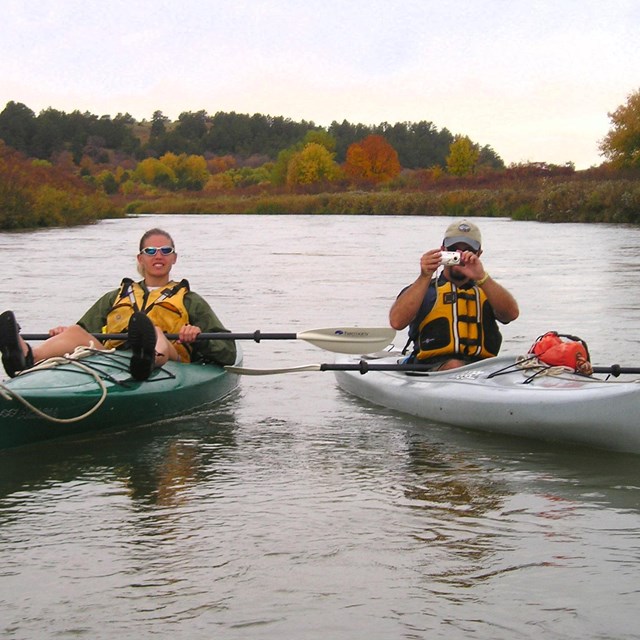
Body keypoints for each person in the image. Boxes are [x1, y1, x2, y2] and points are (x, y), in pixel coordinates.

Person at [0, 228, 236, 380]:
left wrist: (196, 334)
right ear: (140, 258)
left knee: (152, 331)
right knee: (74, 331)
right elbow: (84, 331)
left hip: (167, 359)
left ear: (174, 258)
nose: (158, 255)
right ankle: (27, 355)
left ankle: (147, 359)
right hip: (114, 357)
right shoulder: (115, 297)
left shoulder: (189, 300)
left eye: (166, 250)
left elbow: (228, 352)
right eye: (150, 250)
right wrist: (61, 335)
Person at [389, 219, 519, 371]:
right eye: (453, 249)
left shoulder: (488, 290)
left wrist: (482, 277)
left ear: (479, 254)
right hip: (433, 369)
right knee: (454, 365)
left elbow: (511, 314)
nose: (459, 254)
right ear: (442, 250)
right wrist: (425, 275)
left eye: (467, 250)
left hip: (483, 370)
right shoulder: (425, 289)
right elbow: (397, 322)